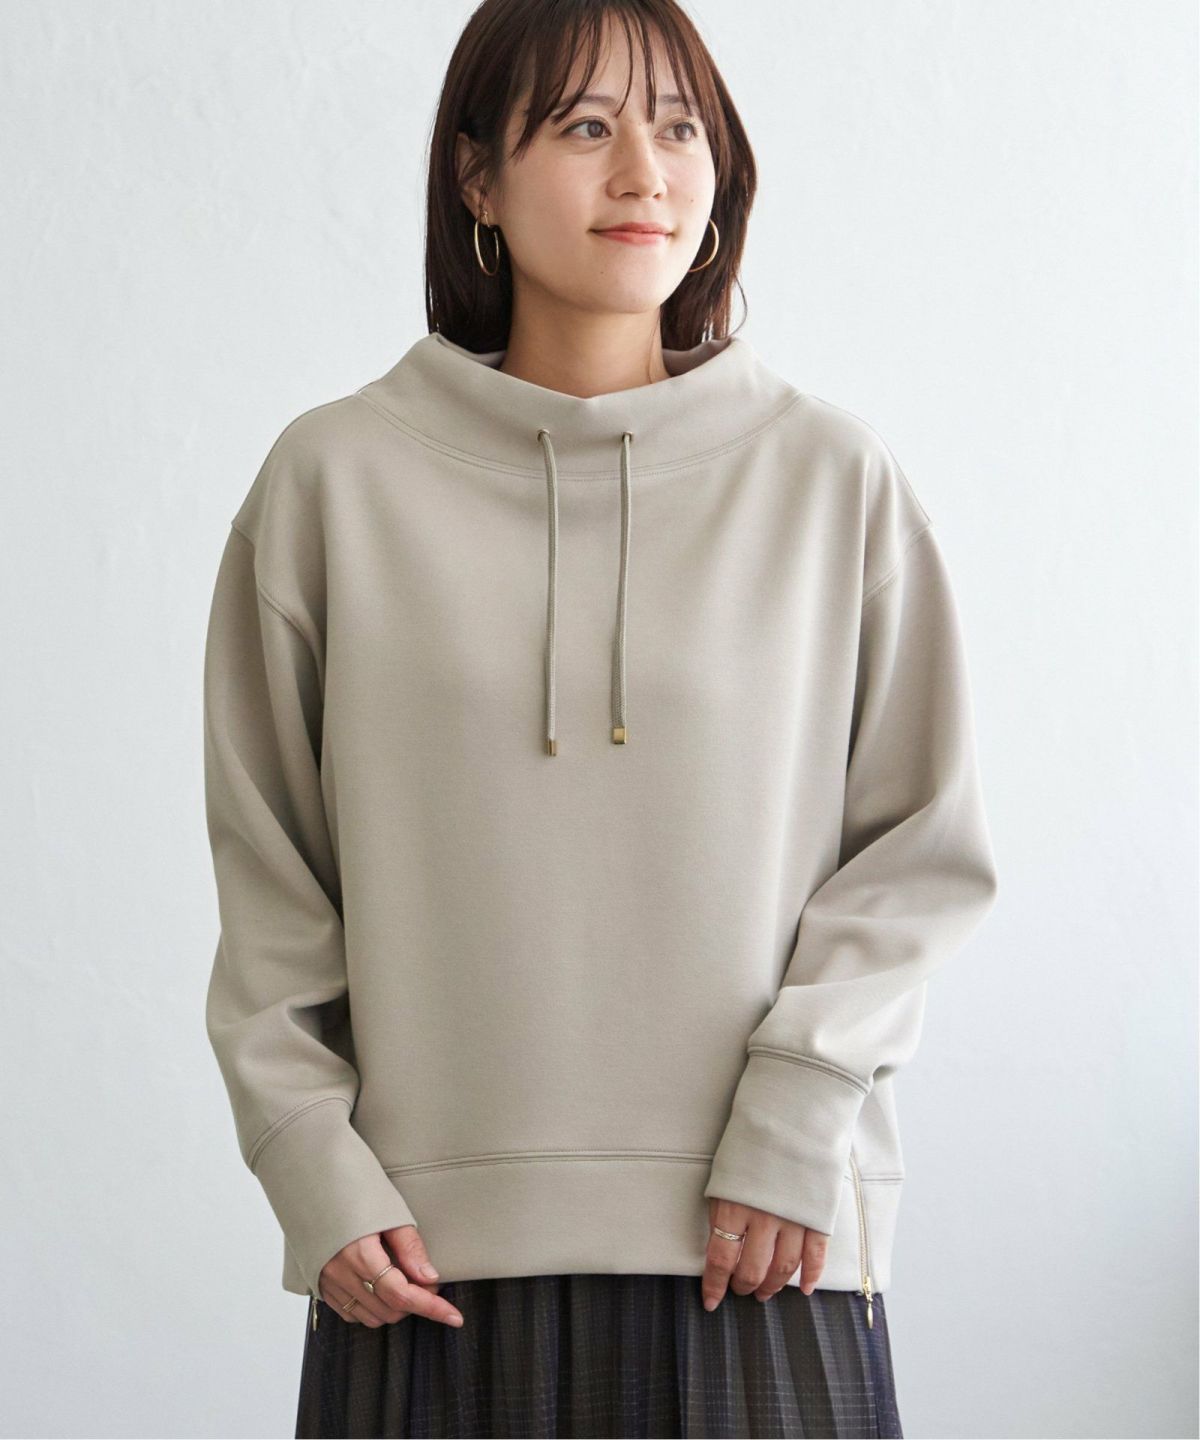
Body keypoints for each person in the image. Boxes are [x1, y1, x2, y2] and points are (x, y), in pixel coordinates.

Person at [201, 1, 999, 1436]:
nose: (645, 172)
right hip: (422, 1264)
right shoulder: (332, 483)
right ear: (476, 176)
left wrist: (800, 1111)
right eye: (585, 126)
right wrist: (311, 1164)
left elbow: (919, 854)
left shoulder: (831, 481)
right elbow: (272, 879)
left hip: (762, 1247)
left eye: (680, 128)